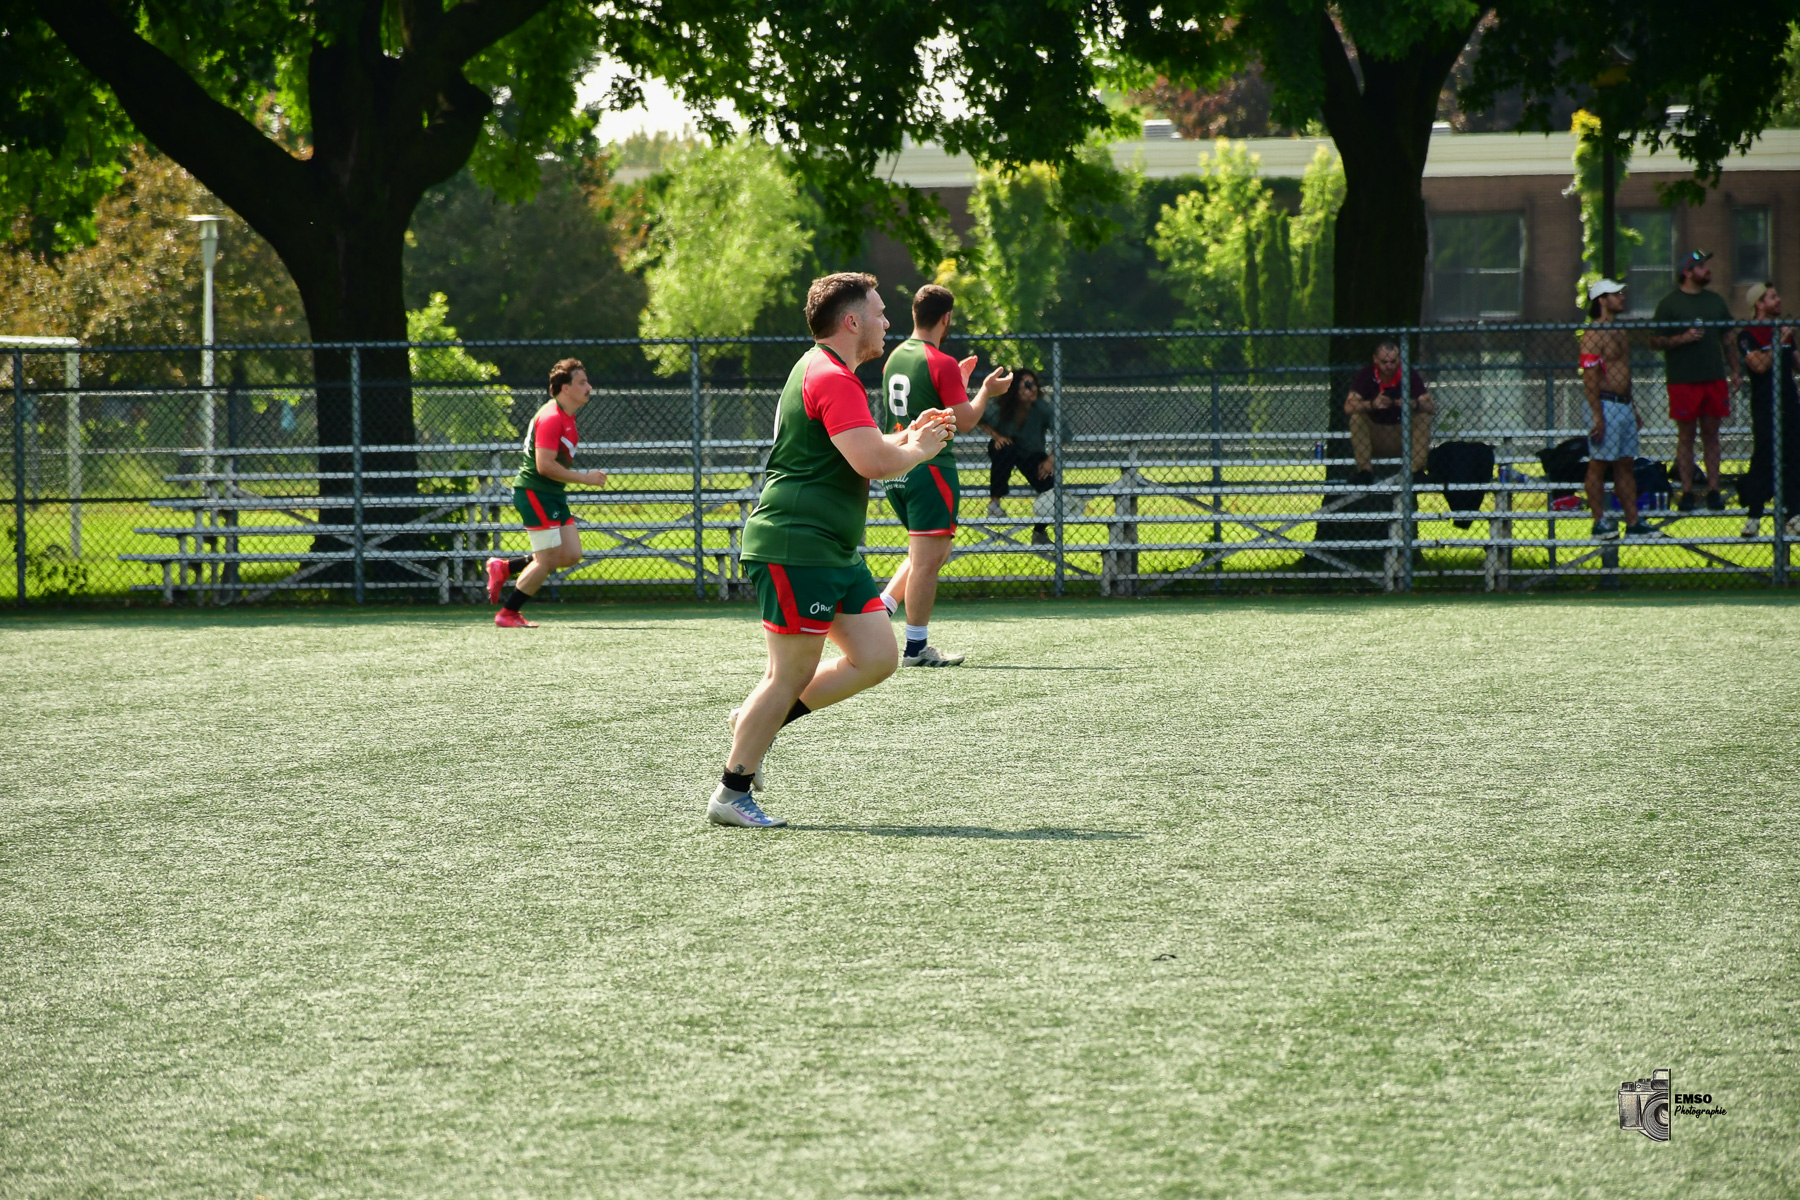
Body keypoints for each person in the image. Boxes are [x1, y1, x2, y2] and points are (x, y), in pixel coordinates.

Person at [708, 273, 956, 828]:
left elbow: (862, 447)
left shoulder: (823, 369)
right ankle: (731, 791)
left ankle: (753, 721)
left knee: (877, 657)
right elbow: (871, 463)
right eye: (879, 312)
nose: (888, 323)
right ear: (852, 321)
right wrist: (917, 448)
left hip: (830, 548)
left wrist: (907, 435)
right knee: (789, 675)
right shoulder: (831, 375)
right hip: (798, 544)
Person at [876, 285, 1012, 667]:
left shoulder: (895, 357)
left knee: (931, 554)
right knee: (927, 560)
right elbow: (966, 420)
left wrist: (960, 382)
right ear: (946, 318)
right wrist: (985, 390)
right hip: (930, 468)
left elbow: (929, 400)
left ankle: (882, 607)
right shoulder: (941, 361)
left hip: (898, 467)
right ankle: (916, 648)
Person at [484, 358, 608, 627]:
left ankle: (504, 567)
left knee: (572, 553)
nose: (589, 387)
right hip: (535, 493)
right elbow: (544, 466)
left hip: (552, 494)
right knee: (548, 559)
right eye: (582, 382)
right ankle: (508, 613)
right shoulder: (552, 418)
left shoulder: (566, 416)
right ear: (565, 388)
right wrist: (585, 479)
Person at [1649, 250, 1741, 512]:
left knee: (1712, 435)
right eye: (1700, 266)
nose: (1706, 270)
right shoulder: (1669, 304)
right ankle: (1686, 491)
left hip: (1713, 377)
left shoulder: (1716, 302)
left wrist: (1735, 370)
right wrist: (1682, 338)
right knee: (1686, 436)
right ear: (1687, 272)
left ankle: (1714, 490)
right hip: (1683, 379)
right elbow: (1654, 341)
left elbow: (1727, 339)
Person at [1579, 280, 1655, 540]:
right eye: (1616, 294)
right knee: (1599, 464)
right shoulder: (1593, 334)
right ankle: (1598, 522)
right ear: (1602, 300)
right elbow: (1589, 377)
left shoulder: (1620, 331)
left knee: (1625, 464)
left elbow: (1624, 372)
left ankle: (1633, 523)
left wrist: (1633, 407)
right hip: (1605, 403)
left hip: (1623, 406)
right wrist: (1597, 414)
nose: (1622, 297)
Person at [1736, 281, 1800, 538]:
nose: (1778, 301)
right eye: (1773, 297)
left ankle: (1793, 513)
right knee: (1764, 457)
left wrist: (1788, 342)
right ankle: (1754, 514)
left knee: (1794, 457)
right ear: (1759, 303)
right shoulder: (1748, 335)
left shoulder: (1785, 333)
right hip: (1765, 406)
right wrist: (1777, 342)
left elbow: (1796, 363)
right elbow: (1759, 365)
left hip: (1789, 402)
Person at [978, 368, 1062, 544]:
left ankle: (1039, 532)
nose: (1032, 389)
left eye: (1034, 385)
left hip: (1030, 453)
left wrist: (1050, 460)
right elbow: (979, 418)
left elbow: (1063, 433)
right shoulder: (1003, 404)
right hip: (1007, 448)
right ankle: (994, 503)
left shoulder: (1042, 405)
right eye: (1027, 385)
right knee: (1004, 449)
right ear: (1015, 389)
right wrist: (997, 436)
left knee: (1051, 487)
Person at [1344, 339, 1434, 482]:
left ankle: (1417, 471)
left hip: (1402, 434)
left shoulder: (1408, 373)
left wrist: (1413, 404)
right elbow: (1348, 407)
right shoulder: (1366, 374)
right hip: (1375, 435)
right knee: (1356, 418)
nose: (1389, 366)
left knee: (1424, 417)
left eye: (1393, 361)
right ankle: (1365, 472)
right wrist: (1372, 404)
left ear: (1399, 359)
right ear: (1375, 359)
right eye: (1384, 362)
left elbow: (1431, 407)